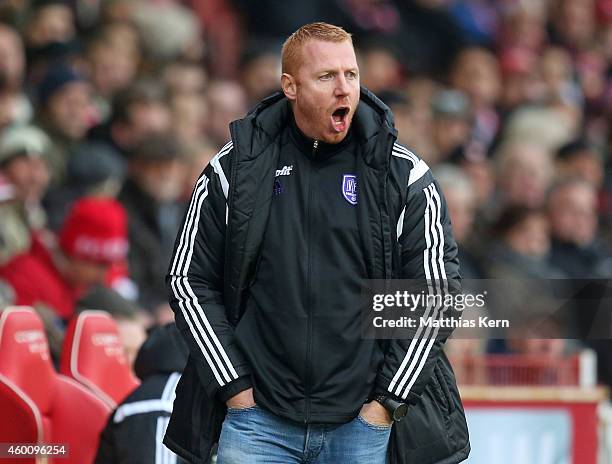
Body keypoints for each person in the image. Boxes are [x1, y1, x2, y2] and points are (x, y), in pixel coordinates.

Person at [165, 22, 469, 464]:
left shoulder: (404, 177)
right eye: (326, 77)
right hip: (258, 423)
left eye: (351, 74)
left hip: (363, 426)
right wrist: (235, 390)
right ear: (289, 85)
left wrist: (385, 405)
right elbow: (188, 280)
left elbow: (435, 296)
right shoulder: (233, 171)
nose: (344, 89)